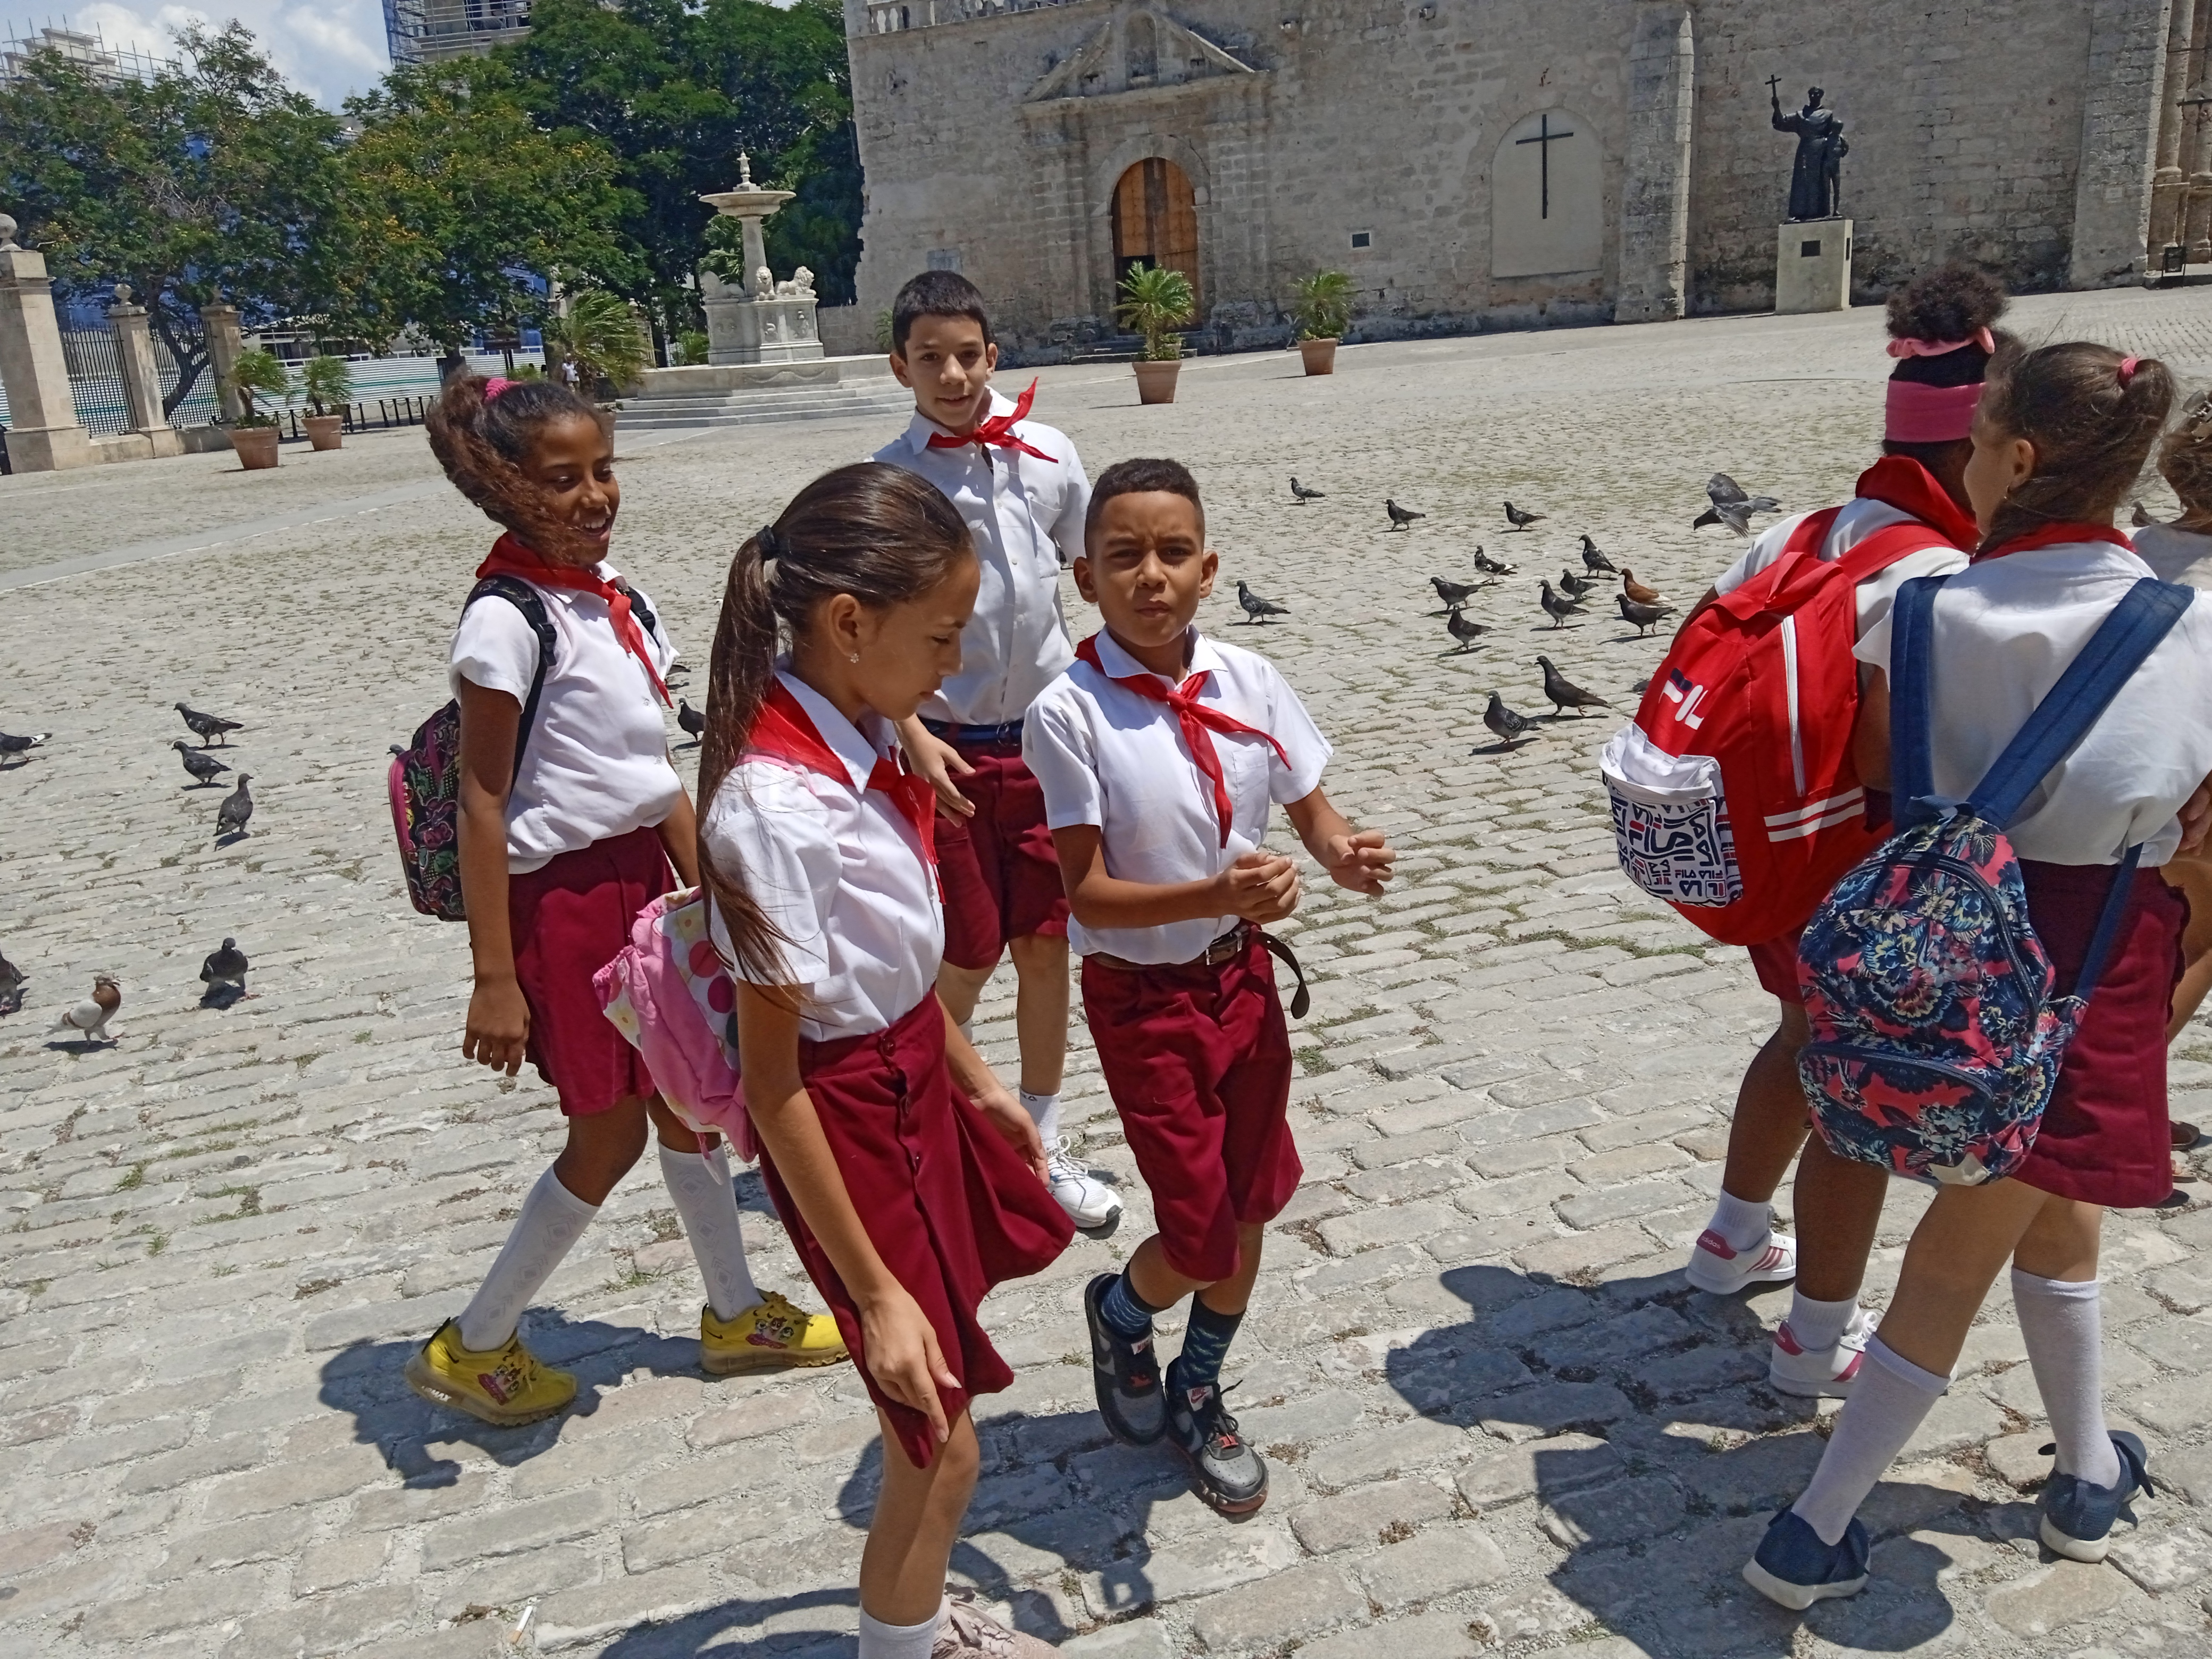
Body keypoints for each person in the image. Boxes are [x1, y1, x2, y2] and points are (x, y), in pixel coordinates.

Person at [1746, 341, 2212, 1608]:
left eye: (1977, 432)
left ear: (2014, 459)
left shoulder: (1922, 605)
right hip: (2092, 953)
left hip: (1944, 942)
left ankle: (2082, 1468)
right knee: (1968, 1246)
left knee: (2057, 1213)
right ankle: (1815, 1525)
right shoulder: (2191, 620)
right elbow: (2196, 823)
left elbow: (1894, 779)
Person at [404, 374, 843, 1428]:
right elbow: (483, 798)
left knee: (690, 1102)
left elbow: (651, 774)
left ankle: (735, 1312)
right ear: (505, 486)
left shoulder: (616, 598)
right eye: (563, 479)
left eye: (603, 470)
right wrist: (494, 976)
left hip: (647, 881)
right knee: (607, 1136)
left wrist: (714, 893)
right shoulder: (505, 624)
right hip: (558, 905)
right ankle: (477, 1340)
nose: (594, 495)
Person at [697, 463, 1075, 1659]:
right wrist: (871, 1293)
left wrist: (980, 1086)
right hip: (849, 1121)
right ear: (850, 625)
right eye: (941, 639)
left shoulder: (863, 726)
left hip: (917, 1080)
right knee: (935, 1435)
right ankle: (899, 1642)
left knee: (939, 1408)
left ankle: (907, 1620)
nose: (955, 670)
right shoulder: (772, 812)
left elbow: (899, 974)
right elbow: (776, 1083)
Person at [1026, 458, 1396, 1515]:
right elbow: (1087, 893)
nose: (1150, 575)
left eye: (1172, 552)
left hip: (1241, 989)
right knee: (1193, 1235)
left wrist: (1337, 854)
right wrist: (1215, 888)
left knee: (1248, 1208)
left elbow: (1309, 804)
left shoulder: (1250, 680)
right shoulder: (1069, 713)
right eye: (1122, 556)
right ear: (1085, 579)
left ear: (1209, 568)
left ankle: (1199, 1385)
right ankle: (1123, 1311)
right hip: (1144, 1005)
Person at [1680, 266, 2003, 1401]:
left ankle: (1730, 1239)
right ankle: (1814, 1342)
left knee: (1794, 1040)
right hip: (1857, 882)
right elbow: (1884, 759)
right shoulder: (1940, 575)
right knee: (1853, 1110)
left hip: (1773, 852)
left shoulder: (1803, 530)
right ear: (1983, 450)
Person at [873, 270, 1122, 1239]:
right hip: (948, 752)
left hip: (1050, 743)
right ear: (900, 365)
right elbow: (857, 638)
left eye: (967, 353)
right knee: (964, 954)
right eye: (929, 356)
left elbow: (1083, 573)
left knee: (1046, 944)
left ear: (995, 356)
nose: (951, 372)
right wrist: (911, 733)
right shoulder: (893, 479)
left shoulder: (1051, 455)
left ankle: (1044, 1139)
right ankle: (944, 1123)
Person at [2131, 399, 2212, 1152]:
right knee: (2200, 946)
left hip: (2134, 786)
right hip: (2205, 793)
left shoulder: (2129, 549)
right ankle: (2131, 1103)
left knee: (2145, 945)